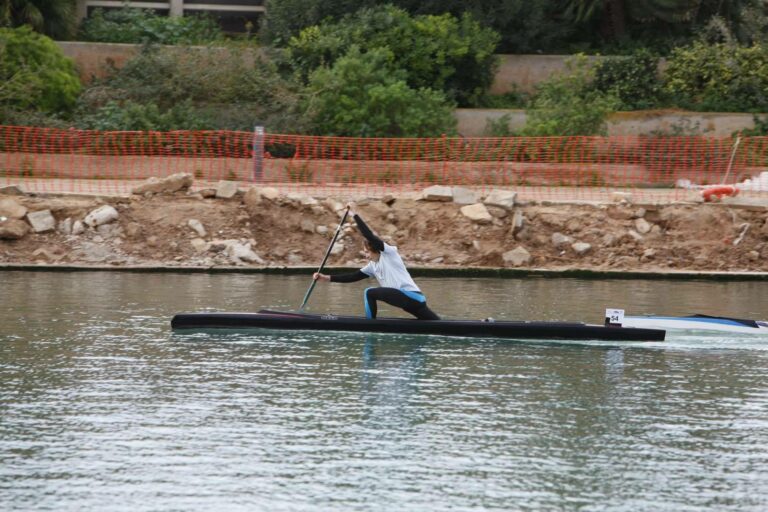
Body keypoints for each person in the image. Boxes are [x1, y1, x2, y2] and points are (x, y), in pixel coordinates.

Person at [313, 208, 440, 320]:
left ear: (375, 249)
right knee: (440, 326)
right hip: (415, 302)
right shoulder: (372, 266)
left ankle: (370, 324)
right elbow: (352, 277)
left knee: (369, 292)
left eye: (367, 251)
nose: (366, 255)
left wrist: (355, 214)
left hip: (412, 297)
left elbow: (369, 236)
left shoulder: (389, 253)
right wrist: (326, 278)